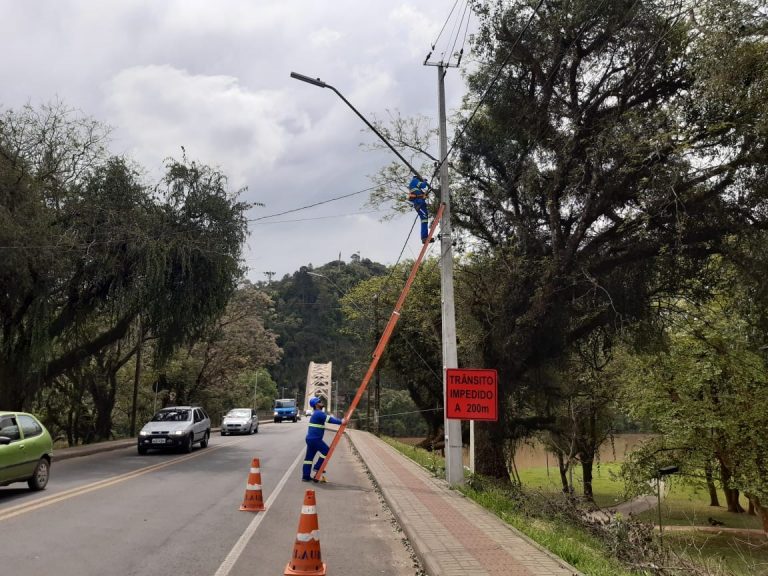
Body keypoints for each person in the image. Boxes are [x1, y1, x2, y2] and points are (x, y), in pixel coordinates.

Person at [302, 396, 346, 483]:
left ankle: (305, 476)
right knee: (327, 451)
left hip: (310, 439)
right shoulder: (319, 413)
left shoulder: (316, 413)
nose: (321, 402)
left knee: (308, 458)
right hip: (315, 439)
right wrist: (341, 422)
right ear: (316, 405)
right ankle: (318, 467)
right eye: (319, 401)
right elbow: (330, 420)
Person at [407, 176, 433, 244]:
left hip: (420, 204)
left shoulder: (415, 188)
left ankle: (425, 237)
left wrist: (424, 195)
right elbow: (423, 185)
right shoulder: (414, 180)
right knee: (424, 219)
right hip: (419, 204)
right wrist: (424, 181)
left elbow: (420, 196)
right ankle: (424, 237)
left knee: (424, 219)